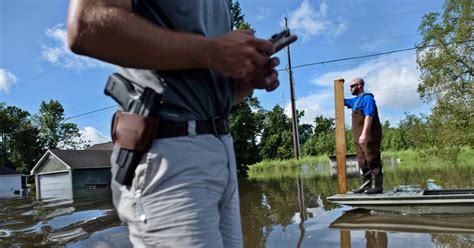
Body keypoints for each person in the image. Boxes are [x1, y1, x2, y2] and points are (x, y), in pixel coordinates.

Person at [67, 0, 296, 247]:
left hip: (220, 150)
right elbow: (85, 26)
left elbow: (214, 97)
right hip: (168, 154)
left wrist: (247, 81)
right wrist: (213, 51)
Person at [344, 78, 383, 194]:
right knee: (362, 160)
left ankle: (378, 186)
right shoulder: (355, 101)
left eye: (352, 86)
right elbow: (343, 101)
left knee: (372, 158)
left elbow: (369, 116)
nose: (350, 88)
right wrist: (337, 88)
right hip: (358, 136)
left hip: (369, 134)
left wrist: (364, 134)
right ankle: (366, 185)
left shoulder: (367, 98)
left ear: (359, 86)